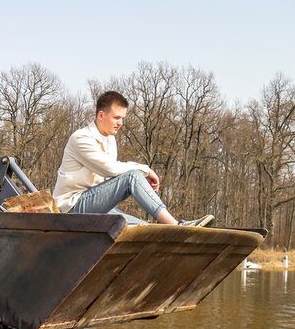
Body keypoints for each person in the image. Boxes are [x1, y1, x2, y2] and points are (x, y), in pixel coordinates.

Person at [53, 90, 214, 227]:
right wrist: (145, 169)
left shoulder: (110, 140)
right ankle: (177, 226)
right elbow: (111, 169)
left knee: (143, 227)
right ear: (101, 115)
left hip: (93, 202)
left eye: (122, 118)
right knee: (132, 176)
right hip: (71, 207)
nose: (121, 123)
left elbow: (110, 179)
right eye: (117, 117)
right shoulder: (81, 138)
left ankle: (170, 234)